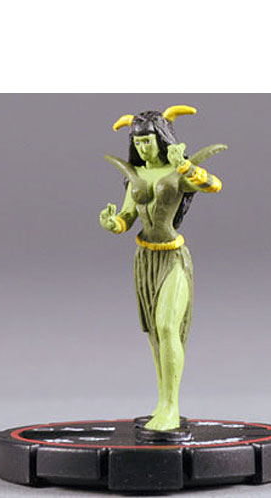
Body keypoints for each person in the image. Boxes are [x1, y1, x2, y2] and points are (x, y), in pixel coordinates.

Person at [99, 105, 227, 431]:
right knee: (156, 335)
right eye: (138, 142)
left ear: (162, 138)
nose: (143, 148)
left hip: (172, 258)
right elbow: (127, 217)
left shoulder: (177, 172)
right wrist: (112, 222)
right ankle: (163, 402)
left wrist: (185, 166)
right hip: (146, 260)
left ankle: (172, 407)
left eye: (148, 141)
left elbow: (213, 185)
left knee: (168, 327)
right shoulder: (137, 175)